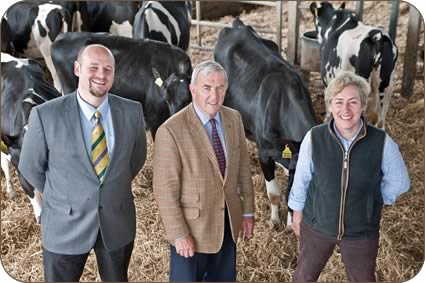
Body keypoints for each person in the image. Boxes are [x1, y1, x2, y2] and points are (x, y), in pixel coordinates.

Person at [18, 44, 147, 282]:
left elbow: (136, 158)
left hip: (116, 223)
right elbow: (30, 167)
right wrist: (65, 194)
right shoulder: (46, 115)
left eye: (108, 69)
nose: (101, 74)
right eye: (94, 67)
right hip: (64, 224)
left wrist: (111, 188)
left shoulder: (132, 111)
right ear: (77, 69)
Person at [288, 71, 410, 282]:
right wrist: (297, 212)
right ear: (330, 106)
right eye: (339, 102)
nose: (345, 109)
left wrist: (374, 201)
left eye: (353, 102)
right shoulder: (315, 138)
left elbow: (400, 181)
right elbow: (302, 179)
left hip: (361, 232)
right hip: (318, 225)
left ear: (363, 105)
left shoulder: (381, 142)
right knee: (303, 277)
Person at [153, 60, 255, 282]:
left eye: (220, 88)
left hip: (227, 223)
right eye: (207, 87)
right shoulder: (171, 131)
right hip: (193, 230)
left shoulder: (233, 119)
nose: (214, 95)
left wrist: (248, 211)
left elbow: (244, 170)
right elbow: (164, 188)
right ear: (193, 89)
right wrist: (179, 233)